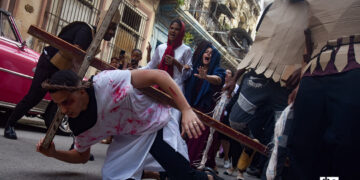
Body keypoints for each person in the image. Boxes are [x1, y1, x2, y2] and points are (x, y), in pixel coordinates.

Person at [37, 69, 223, 180]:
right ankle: (158, 175)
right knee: (113, 176)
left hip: (153, 123)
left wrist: (186, 109)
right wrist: (54, 154)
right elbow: (81, 156)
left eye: (67, 101)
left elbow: (159, 76)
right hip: (126, 138)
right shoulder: (80, 124)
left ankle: (208, 176)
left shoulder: (107, 82)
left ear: (82, 92)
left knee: (183, 177)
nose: (63, 110)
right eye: (58, 104)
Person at [3, 11, 120, 140]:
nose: (112, 33)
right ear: (103, 24)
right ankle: (10, 125)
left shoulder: (94, 37)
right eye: (111, 28)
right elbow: (76, 54)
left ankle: (77, 144)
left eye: (114, 29)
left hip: (61, 68)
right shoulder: (85, 31)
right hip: (49, 63)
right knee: (34, 97)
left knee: (73, 102)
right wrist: (77, 80)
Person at [222, 0, 307, 178]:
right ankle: (253, 137)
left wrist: (303, 73)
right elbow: (257, 45)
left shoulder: (316, 12)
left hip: (287, 87)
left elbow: (317, 50)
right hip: (258, 76)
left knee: (280, 143)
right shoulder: (272, 7)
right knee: (236, 120)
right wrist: (235, 78)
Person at [285, 0, 360, 179]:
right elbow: (308, 37)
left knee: (345, 152)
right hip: (314, 71)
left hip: (354, 65)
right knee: (302, 149)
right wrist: (303, 76)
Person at [185, 43, 225, 170]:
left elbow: (218, 80)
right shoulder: (195, 69)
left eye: (211, 53)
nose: (208, 54)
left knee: (195, 150)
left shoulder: (218, 71)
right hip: (189, 113)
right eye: (206, 52)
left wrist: (206, 77)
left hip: (204, 118)